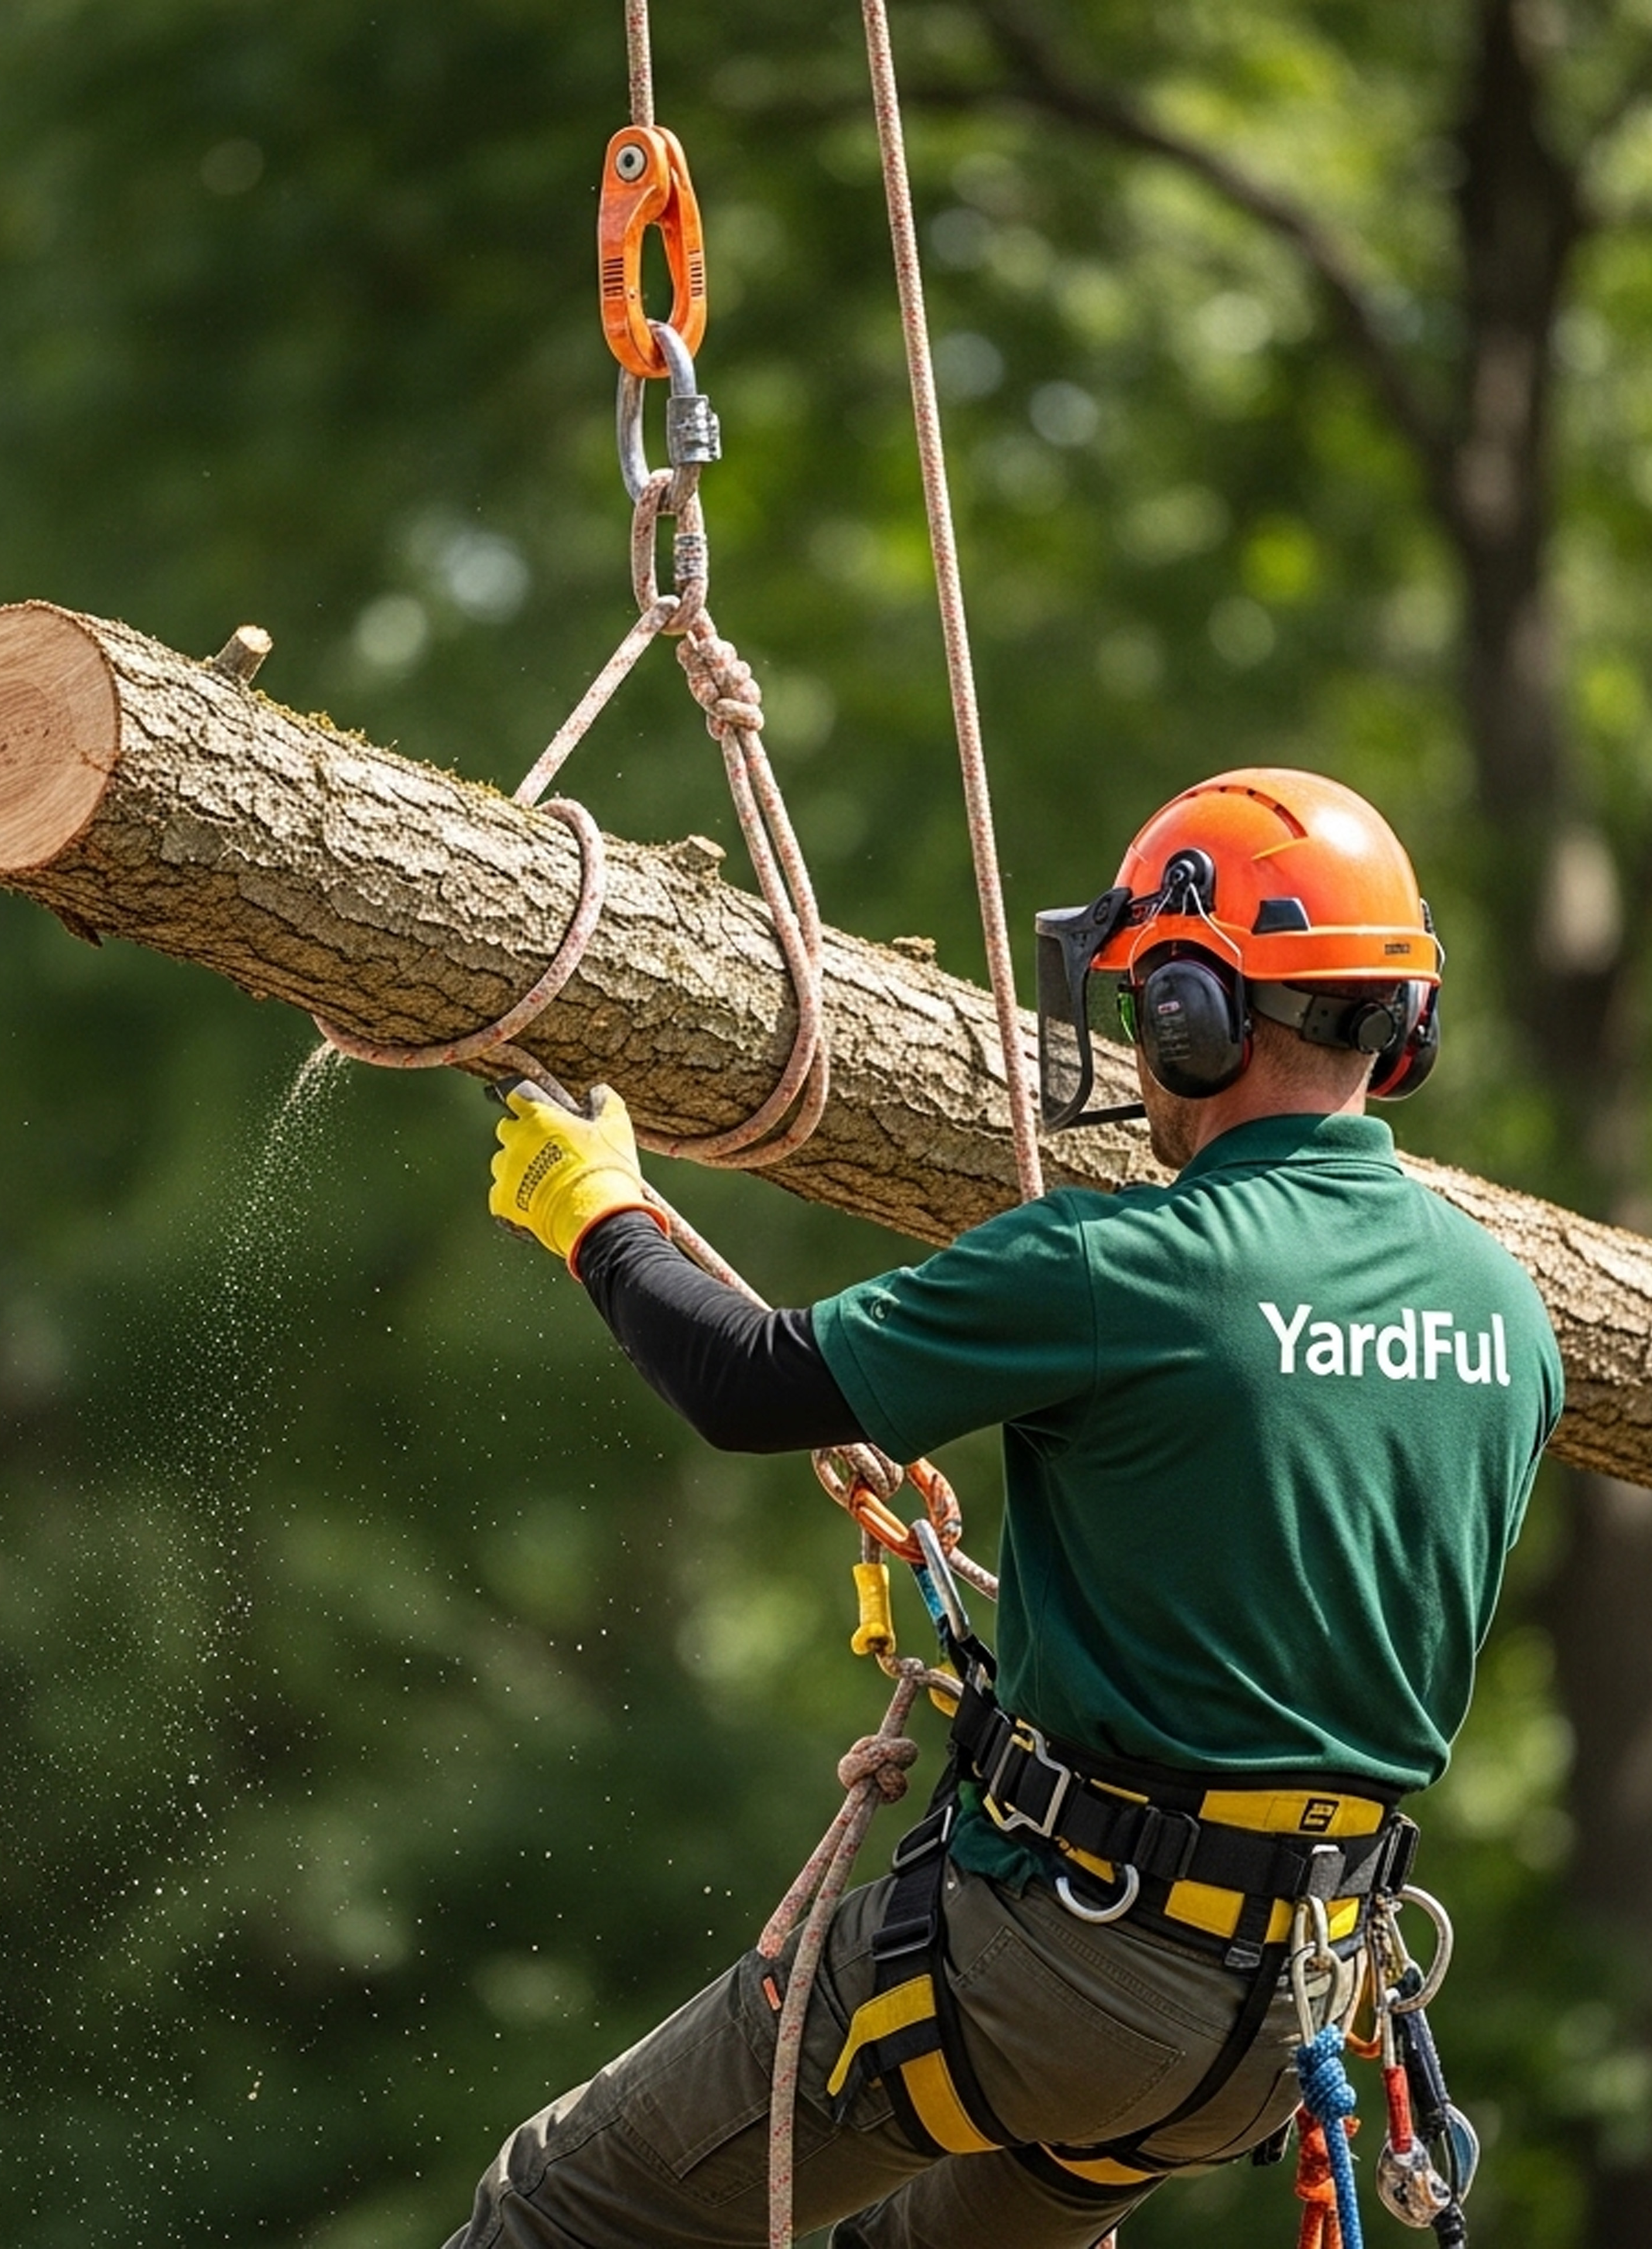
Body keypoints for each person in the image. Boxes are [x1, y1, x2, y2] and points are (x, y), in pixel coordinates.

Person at [447, 768, 1562, 2249]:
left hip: (1064, 1966)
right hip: (1285, 2019)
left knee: (563, 2210)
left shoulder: (1134, 1263)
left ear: (1198, 1009)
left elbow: (751, 1383)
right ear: (1398, 1027)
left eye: (1152, 999)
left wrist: (600, 1216)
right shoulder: (1507, 1313)